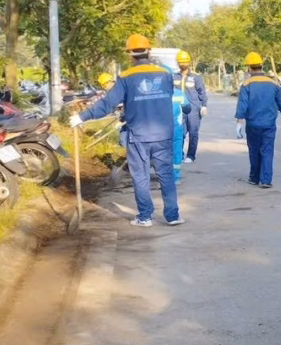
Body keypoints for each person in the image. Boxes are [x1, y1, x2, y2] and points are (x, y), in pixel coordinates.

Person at [70, 34, 183, 227]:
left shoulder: (126, 78)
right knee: (166, 174)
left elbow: (108, 104)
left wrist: (82, 116)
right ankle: (173, 216)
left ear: (130, 54)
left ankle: (145, 217)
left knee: (140, 176)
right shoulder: (165, 75)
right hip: (163, 134)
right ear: (149, 51)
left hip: (138, 135)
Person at [234, 52, 281, 188]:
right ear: (261, 66)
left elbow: (242, 105)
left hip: (252, 124)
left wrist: (239, 123)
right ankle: (266, 180)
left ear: (249, 68)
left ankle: (254, 178)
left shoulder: (246, 84)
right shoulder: (273, 83)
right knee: (267, 150)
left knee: (254, 150)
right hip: (269, 124)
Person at [176, 50, 207, 163]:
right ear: (177, 63)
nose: (182, 64)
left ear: (189, 63)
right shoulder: (174, 76)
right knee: (180, 133)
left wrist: (204, 105)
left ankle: (191, 155)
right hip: (179, 110)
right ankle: (179, 154)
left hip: (194, 110)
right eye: (180, 62)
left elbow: (202, 92)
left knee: (193, 133)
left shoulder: (195, 77)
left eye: (184, 62)